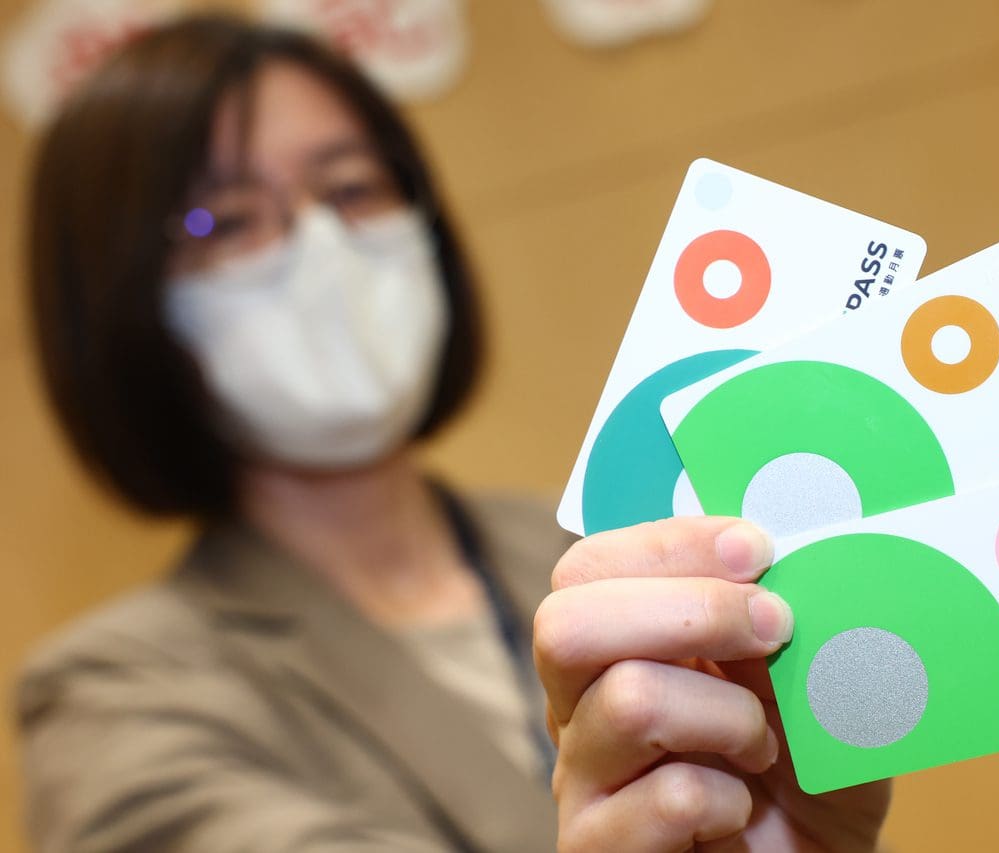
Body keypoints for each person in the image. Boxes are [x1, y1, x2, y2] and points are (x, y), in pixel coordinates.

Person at [17, 14, 890, 853]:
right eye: (226, 219)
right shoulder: (112, 697)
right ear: (118, 299)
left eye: (354, 189)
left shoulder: (615, 549)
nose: (323, 246)